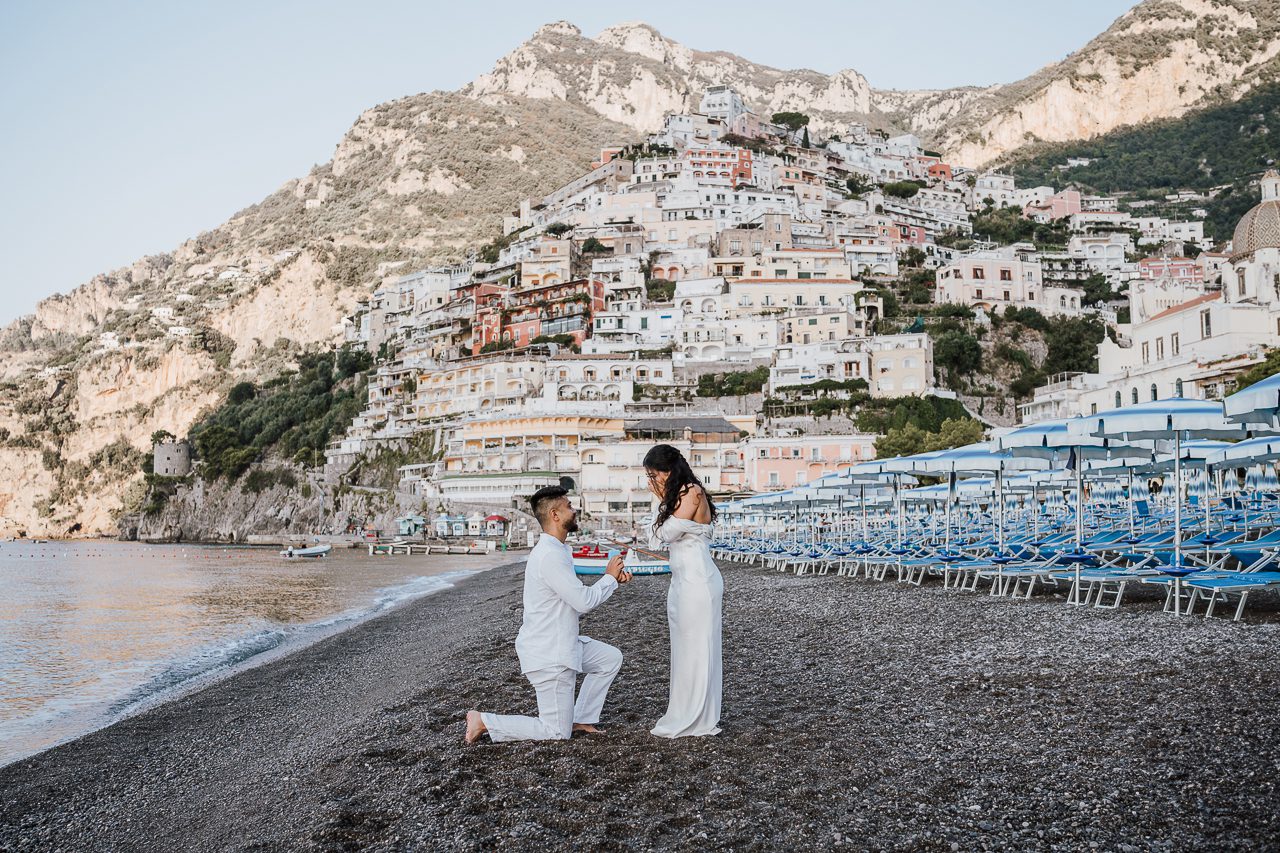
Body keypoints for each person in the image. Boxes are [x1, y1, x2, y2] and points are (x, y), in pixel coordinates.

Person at [465, 486, 632, 744]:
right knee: (555, 732)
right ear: (555, 515)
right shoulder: (549, 556)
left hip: (563, 643)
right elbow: (583, 601)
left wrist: (613, 581)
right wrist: (609, 577)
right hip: (550, 655)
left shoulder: (558, 550)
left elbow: (574, 596)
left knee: (609, 659)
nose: (574, 511)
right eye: (569, 506)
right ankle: (484, 721)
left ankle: (581, 718)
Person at [643, 443, 723, 738]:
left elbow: (665, 533)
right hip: (682, 582)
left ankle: (699, 717)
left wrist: (661, 501)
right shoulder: (676, 496)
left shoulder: (692, 492)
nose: (652, 482)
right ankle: (684, 710)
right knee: (684, 650)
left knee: (700, 648)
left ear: (668, 471)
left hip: (699, 582)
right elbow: (655, 541)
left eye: (654, 475)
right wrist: (662, 501)